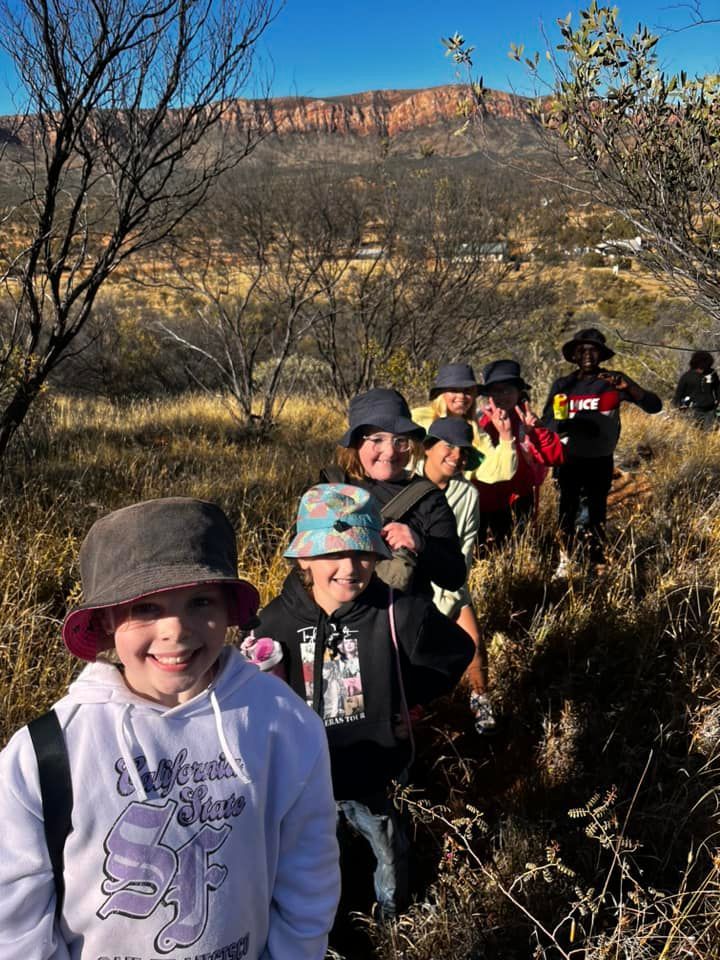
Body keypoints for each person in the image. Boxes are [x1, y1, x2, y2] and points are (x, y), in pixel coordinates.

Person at [0, 497, 340, 960]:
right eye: (145, 608)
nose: (175, 630)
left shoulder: (282, 723)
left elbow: (309, 873)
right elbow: (15, 917)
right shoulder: (45, 753)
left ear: (227, 607)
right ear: (103, 621)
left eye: (200, 601)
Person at [252, 483, 474, 920]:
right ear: (304, 560)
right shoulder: (275, 620)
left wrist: (408, 697)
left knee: (387, 847)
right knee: (307, 856)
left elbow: (455, 652)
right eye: (332, 555)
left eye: (362, 554)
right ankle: (319, 922)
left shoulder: (400, 611)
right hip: (303, 777)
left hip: (373, 771)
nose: (350, 568)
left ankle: (393, 918)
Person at [324, 387, 466, 598]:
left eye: (401, 440)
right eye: (377, 439)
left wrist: (419, 544)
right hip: (337, 621)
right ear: (356, 442)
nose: (390, 451)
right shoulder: (330, 486)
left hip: (400, 621)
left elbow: (454, 577)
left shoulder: (428, 497)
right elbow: (300, 561)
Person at [543, 328, 662, 572]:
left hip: (599, 460)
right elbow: (548, 423)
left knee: (596, 512)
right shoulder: (564, 384)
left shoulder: (613, 381)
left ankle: (596, 561)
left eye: (593, 350)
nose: (587, 355)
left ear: (601, 355)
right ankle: (567, 561)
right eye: (581, 350)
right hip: (569, 459)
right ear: (574, 356)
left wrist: (629, 387)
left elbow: (654, 406)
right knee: (567, 510)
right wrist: (566, 424)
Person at [419, 417, 495, 734]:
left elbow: (465, 549)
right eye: (447, 446)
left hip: (450, 582)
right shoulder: (405, 484)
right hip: (411, 586)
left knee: (473, 640)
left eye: (462, 450)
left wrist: (449, 597)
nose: (455, 455)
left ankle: (481, 702)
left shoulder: (467, 495)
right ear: (428, 448)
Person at [476, 360, 564, 547]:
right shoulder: (479, 421)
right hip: (487, 498)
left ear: (519, 392)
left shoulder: (528, 421)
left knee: (519, 544)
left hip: (521, 495)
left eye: (508, 390)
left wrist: (535, 432)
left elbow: (553, 457)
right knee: (483, 546)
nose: (502, 396)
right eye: (496, 391)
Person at [411, 361, 518, 485]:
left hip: (453, 497)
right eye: (454, 390)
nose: (461, 396)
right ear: (441, 394)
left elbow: (498, 472)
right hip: (413, 491)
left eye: (467, 391)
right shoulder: (418, 419)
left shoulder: (476, 432)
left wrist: (506, 436)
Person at [673, 350, 719, 428]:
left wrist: (717, 402)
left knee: (709, 434)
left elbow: (718, 388)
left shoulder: (712, 374)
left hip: (710, 411)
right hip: (693, 412)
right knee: (695, 434)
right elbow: (678, 396)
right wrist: (680, 409)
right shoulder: (687, 377)